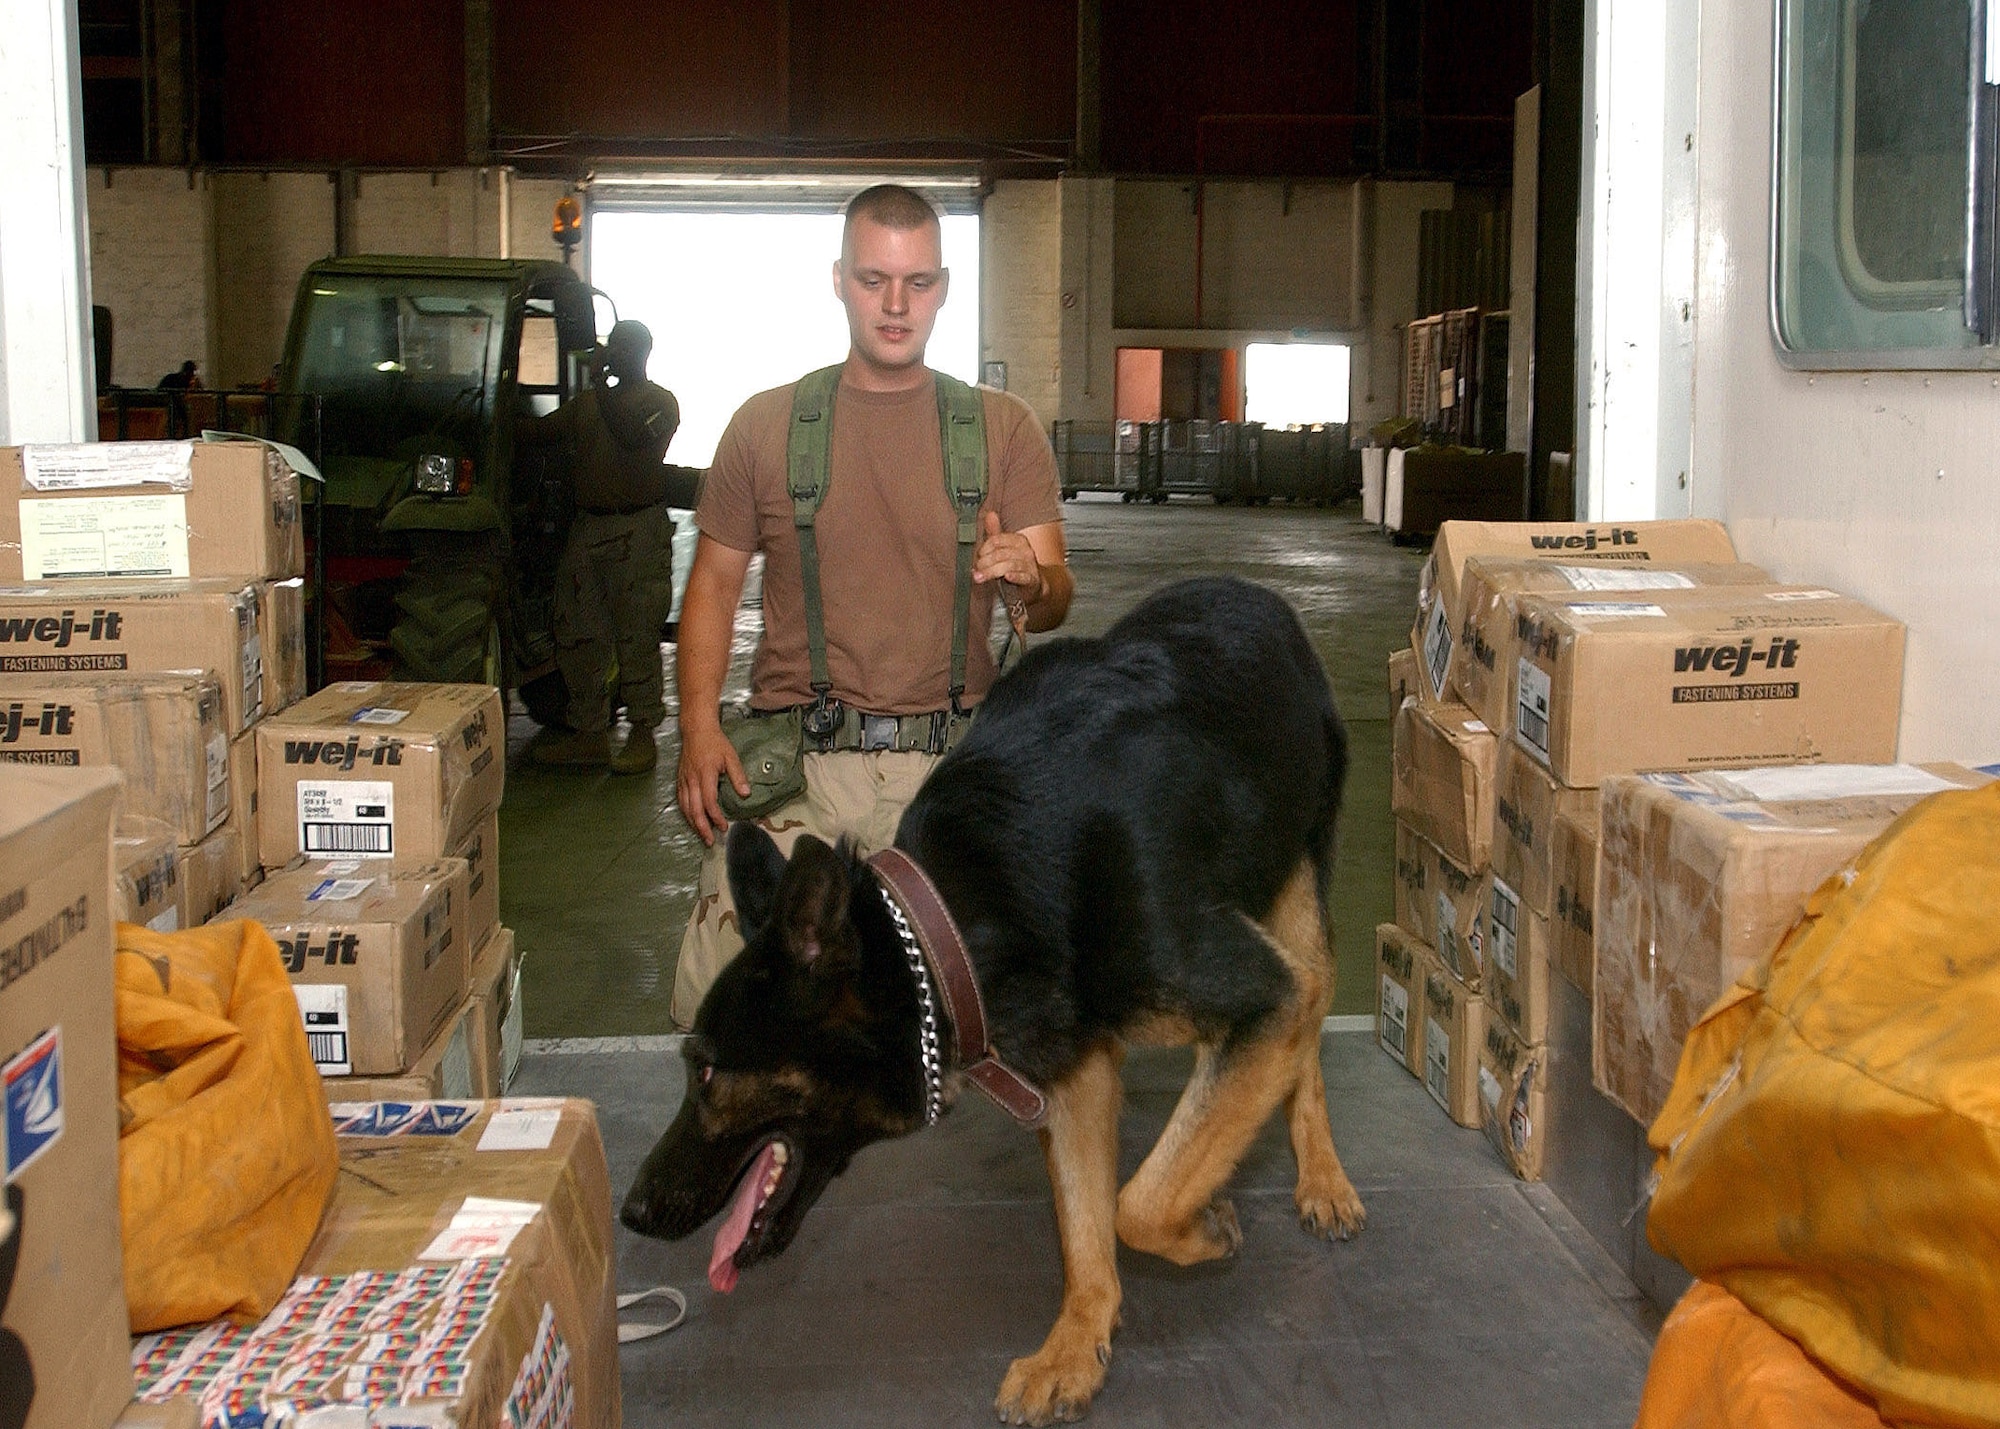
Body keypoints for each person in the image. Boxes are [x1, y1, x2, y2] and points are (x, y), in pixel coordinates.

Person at [668, 183, 1073, 1029]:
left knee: (983, 1025)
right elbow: (711, 583)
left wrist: (1030, 581)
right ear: (838, 280)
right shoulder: (767, 426)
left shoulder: (1001, 431)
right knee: (730, 1014)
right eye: (873, 279)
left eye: (918, 282)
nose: (896, 304)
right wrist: (699, 729)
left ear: (945, 286)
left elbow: (1056, 594)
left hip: (947, 770)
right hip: (801, 772)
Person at [518, 319, 689, 774]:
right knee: (578, 635)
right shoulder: (589, 405)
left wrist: (598, 381)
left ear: (640, 353)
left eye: (619, 348)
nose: (612, 353)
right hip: (588, 532)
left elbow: (632, 435)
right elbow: (537, 435)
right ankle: (589, 733)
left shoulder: (659, 403)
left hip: (637, 533)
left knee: (636, 637)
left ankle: (641, 734)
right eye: (611, 347)